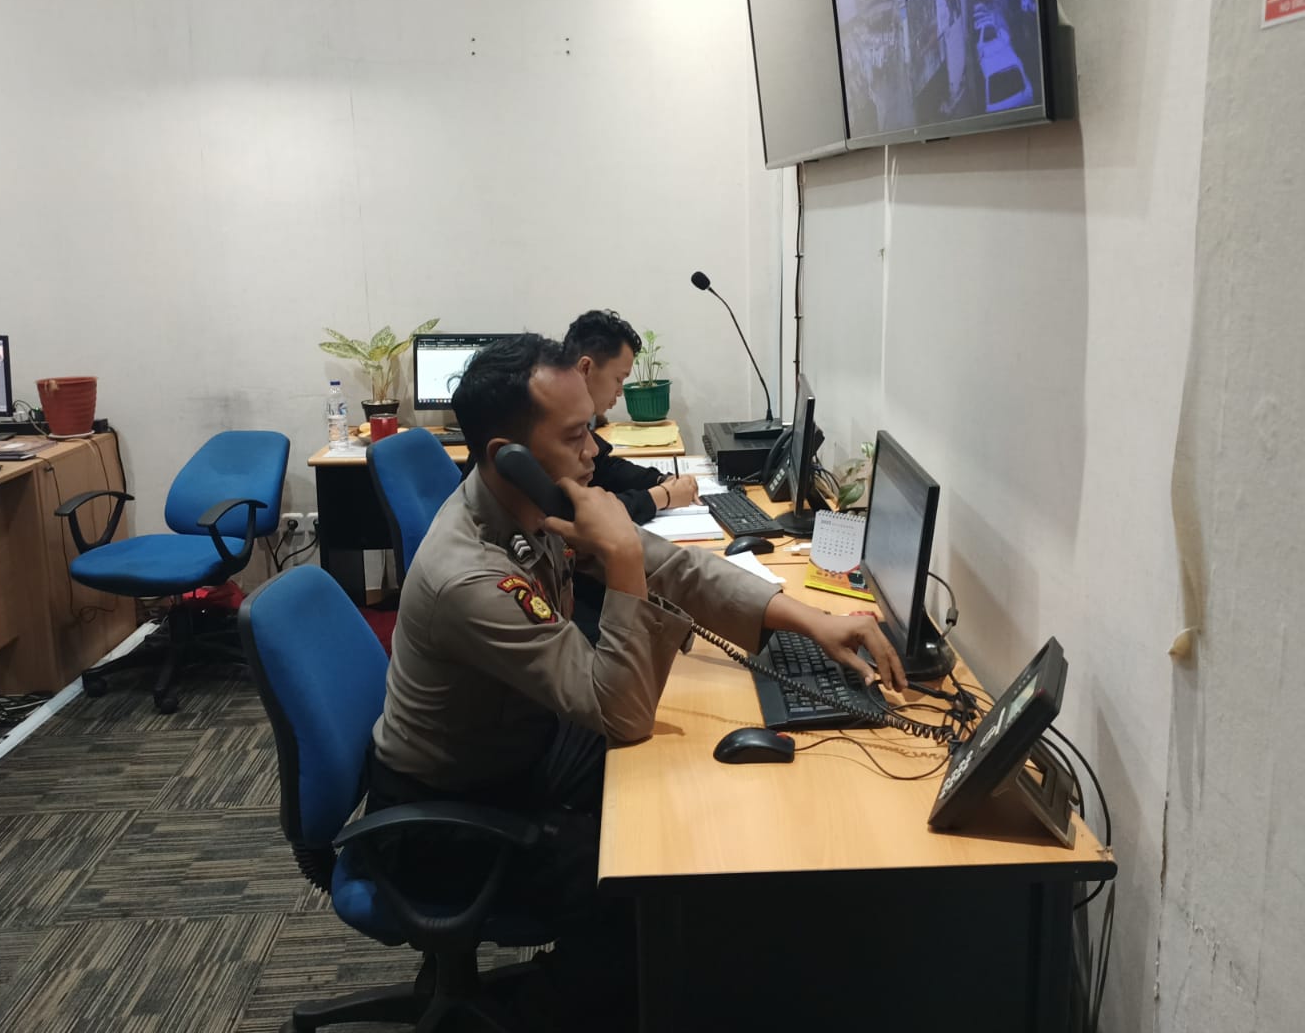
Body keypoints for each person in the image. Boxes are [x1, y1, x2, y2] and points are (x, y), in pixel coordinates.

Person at [366, 334, 904, 1031]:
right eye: (575, 435)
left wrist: (812, 620)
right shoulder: (467, 574)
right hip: (446, 819)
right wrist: (620, 557)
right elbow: (619, 711)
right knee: (650, 886)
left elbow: (676, 569)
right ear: (510, 457)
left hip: (518, 750)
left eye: (591, 426)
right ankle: (535, 1015)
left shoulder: (532, 506)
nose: (594, 449)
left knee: (694, 799)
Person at [563, 308, 698, 523]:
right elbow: (573, 511)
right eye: (618, 379)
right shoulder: (550, 423)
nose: (620, 391)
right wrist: (662, 496)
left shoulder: (574, 416)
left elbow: (604, 468)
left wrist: (660, 480)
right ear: (586, 368)